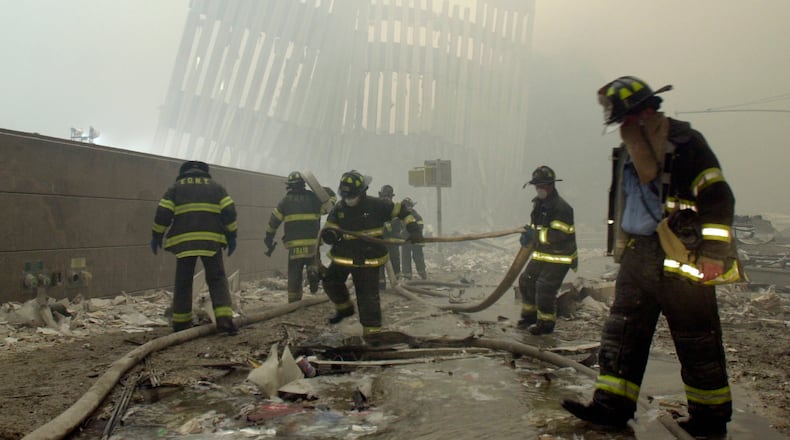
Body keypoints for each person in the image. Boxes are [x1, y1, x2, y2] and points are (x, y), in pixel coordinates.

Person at [562, 76, 743, 437]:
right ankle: (610, 408)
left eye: (627, 120)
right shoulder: (629, 150)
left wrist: (712, 253)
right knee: (621, 335)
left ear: (646, 111)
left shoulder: (686, 143)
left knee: (697, 342)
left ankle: (709, 420)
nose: (623, 129)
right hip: (638, 256)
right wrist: (624, 247)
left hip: (682, 256)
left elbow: (719, 198)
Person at [320, 170, 422, 336]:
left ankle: (372, 333)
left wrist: (414, 229)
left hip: (368, 257)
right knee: (330, 281)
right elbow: (331, 226)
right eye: (346, 197)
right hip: (344, 255)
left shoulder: (378, 205)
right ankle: (344, 308)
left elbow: (401, 211)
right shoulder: (339, 208)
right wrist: (330, 234)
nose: (349, 200)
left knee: (367, 296)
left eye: (352, 196)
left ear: (362, 192)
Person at [151, 160, 239, 335]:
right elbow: (229, 212)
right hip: (211, 242)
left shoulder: (175, 188)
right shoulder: (217, 188)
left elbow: (163, 213)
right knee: (217, 279)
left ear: (185, 172)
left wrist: (157, 235)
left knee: (183, 282)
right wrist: (231, 236)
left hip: (184, 243)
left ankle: (181, 324)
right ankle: (224, 322)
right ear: (205, 172)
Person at [517, 166, 577, 335]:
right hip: (543, 253)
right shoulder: (538, 204)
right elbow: (537, 227)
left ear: (551, 185)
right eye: (537, 186)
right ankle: (529, 317)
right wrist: (528, 234)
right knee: (526, 281)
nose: (539, 189)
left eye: (542, 186)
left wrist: (535, 235)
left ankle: (545, 324)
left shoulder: (562, 208)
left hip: (560, 256)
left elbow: (560, 235)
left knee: (544, 288)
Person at [264, 171, 336, 303]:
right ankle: (313, 272)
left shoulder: (284, 202)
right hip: (312, 243)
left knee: (294, 273)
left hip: (294, 245)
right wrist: (325, 191)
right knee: (313, 262)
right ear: (304, 184)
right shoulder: (314, 198)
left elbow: (273, 221)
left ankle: (294, 300)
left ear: (289, 186)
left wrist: (268, 238)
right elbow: (329, 206)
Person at [377, 184, 402, 288]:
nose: (386, 198)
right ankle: (381, 283)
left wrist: (387, 226)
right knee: (380, 263)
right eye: (384, 196)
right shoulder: (376, 207)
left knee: (395, 261)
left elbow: (397, 226)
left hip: (391, 242)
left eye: (388, 196)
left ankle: (396, 283)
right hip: (380, 241)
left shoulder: (395, 209)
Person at [400, 197, 427, 280]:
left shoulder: (417, 216)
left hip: (416, 241)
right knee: (405, 257)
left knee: (418, 257)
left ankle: (422, 272)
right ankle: (407, 275)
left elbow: (419, 227)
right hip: (406, 241)